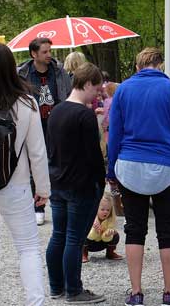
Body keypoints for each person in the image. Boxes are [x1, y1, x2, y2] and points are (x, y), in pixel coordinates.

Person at [107, 47, 170, 306]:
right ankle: (169, 292)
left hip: (130, 164)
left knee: (134, 229)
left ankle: (136, 293)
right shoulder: (169, 88)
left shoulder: (123, 89)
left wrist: (112, 169)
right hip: (166, 165)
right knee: (167, 230)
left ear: (137, 67)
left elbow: (115, 134)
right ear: (160, 65)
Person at [0, 42, 50, 306]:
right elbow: (37, 152)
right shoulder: (26, 103)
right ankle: (35, 302)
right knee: (28, 249)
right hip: (17, 185)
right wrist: (43, 190)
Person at [45, 63, 106, 304]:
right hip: (81, 185)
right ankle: (74, 290)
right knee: (74, 238)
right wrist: (101, 183)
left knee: (58, 235)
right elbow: (93, 155)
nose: (98, 95)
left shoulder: (57, 110)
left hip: (57, 181)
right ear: (87, 83)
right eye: (97, 89)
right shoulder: (85, 114)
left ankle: (56, 286)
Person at [18, 37, 72, 225]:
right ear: (34, 54)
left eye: (50, 51)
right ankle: (37, 207)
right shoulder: (21, 74)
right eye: (45, 52)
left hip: (56, 125)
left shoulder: (60, 73)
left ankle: (59, 203)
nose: (50, 55)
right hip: (32, 125)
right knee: (34, 164)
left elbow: (70, 95)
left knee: (58, 163)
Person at [82, 193, 122, 263]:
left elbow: (106, 238)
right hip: (90, 243)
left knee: (116, 235)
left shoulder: (111, 219)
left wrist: (107, 234)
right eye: (102, 209)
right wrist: (95, 230)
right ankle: (83, 254)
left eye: (108, 210)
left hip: (102, 243)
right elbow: (90, 237)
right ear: (96, 208)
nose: (105, 212)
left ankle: (110, 253)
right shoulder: (91, 217)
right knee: (82, 233)